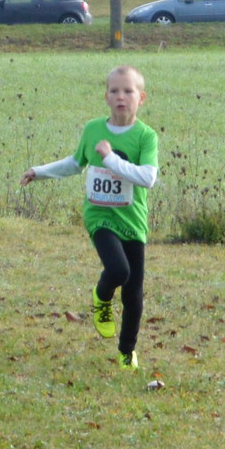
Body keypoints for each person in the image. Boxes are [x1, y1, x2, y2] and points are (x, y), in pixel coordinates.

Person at [24, 65, 158, 369]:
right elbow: (75, 164)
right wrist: (38, 171)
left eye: (128, 91)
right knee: (118, 271)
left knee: (134, 293)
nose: (121, 97)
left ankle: (127, 352)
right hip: (100, 216)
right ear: (106, 97)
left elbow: (147, 178)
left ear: (141, 98)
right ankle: (101, 295)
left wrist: (110, 158)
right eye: (114, 91)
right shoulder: (93, 129)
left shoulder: (146, 136)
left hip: (132, 220)